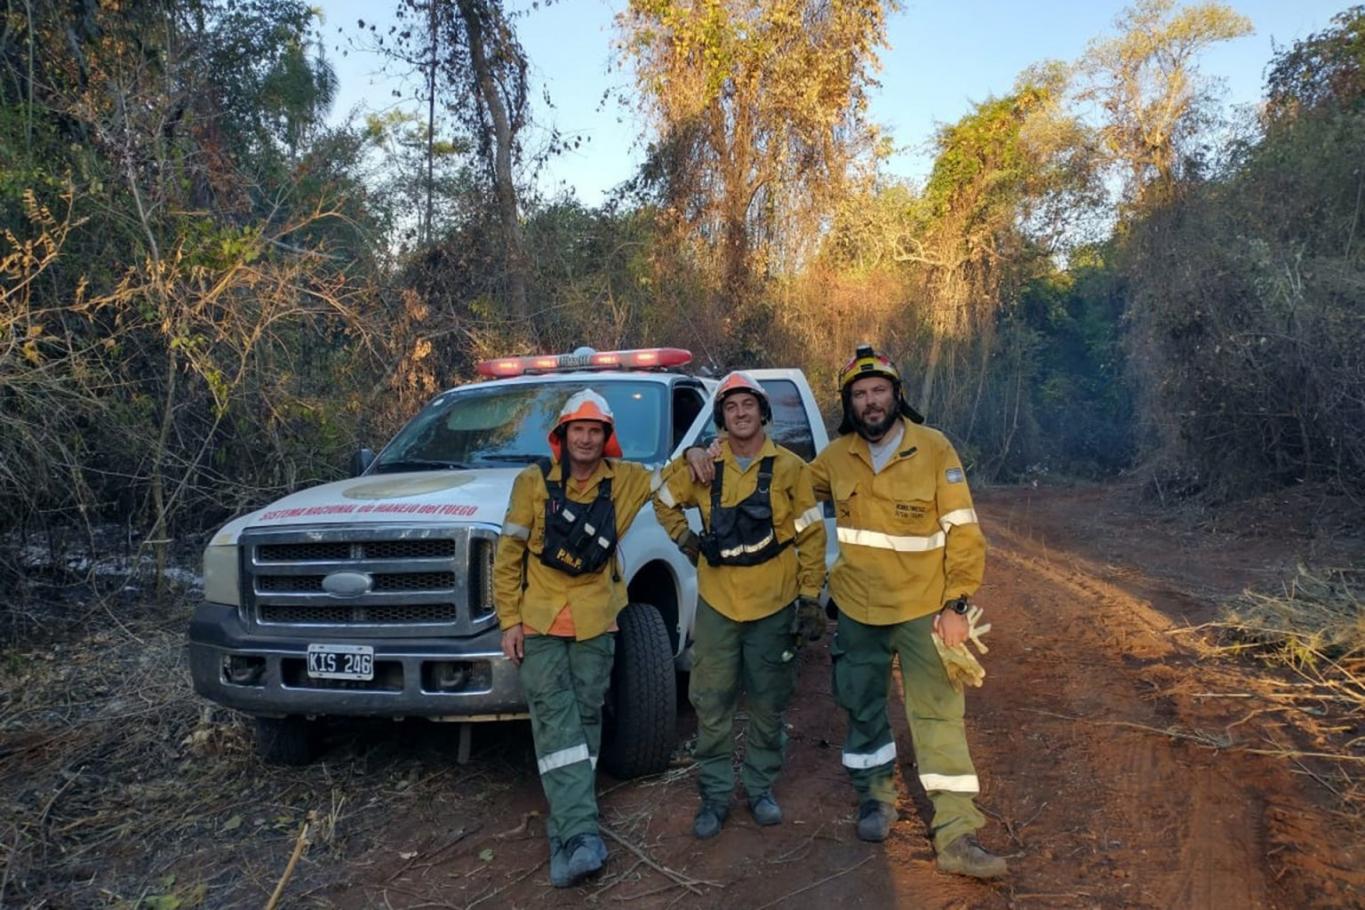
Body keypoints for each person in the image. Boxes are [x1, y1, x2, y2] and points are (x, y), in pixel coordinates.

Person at [688, 346, 1006, 877]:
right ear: (849, 403)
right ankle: (876, 800)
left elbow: (964, 533)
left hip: (924, 610)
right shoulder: (834, 458)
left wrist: (956, 604)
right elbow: (775, 482)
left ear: (896, 395)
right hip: (857, 610)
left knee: (937, 718)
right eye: (859, 394)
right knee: (862, 711)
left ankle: (956, 833)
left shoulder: (934, 449)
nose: (870, 401)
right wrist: (702, 453)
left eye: (879, 390)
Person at [493, 389, 657, 888]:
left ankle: (565, 826)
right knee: (555, 716)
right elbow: (509, 555)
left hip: (596, 620)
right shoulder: (532, 483)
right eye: (577, 431)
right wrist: (508, 621)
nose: (585, 439)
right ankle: (583, 833)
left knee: (585, 718)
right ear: (561, 437)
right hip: (540, 620)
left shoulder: (627, 481)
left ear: (606, 438)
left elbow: (673, 482)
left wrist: (701, 452)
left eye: (594, 431)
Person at [655, 371, 827, 839]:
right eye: (730, 407)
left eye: (748, 405)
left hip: (774, 604)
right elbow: (663, 500)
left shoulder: (791, 469)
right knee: (711, 704)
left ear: (763, 412)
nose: (740, 413)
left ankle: (760, 788)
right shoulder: (706, 466)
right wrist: (687, 540)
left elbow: (812, 534)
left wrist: (810, 596)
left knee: (769, 703)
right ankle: (714, 795)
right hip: (719, 606)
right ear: (721, 418)